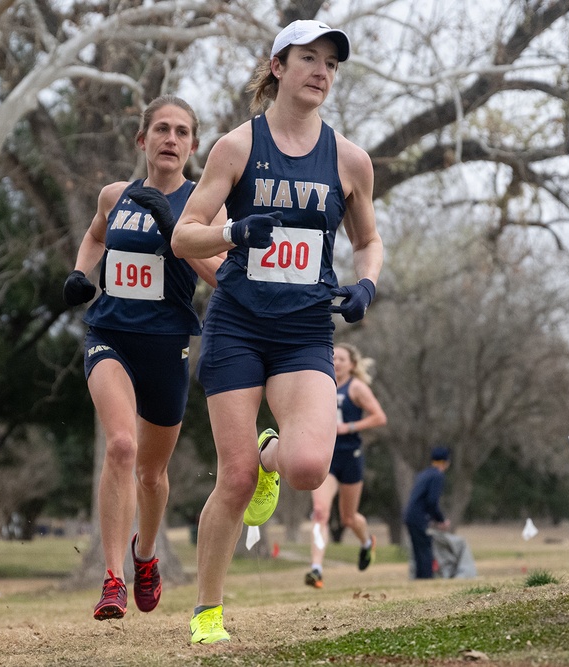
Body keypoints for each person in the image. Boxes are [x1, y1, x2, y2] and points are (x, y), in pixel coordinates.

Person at [168, 19, 384, 644]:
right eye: (309, 58)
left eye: (331, 64)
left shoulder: (349, 160)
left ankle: (273, 454)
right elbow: (185, 235)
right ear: (278, 68)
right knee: (233, 480)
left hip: (304, 333)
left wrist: (366, 283)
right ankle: (209, 611)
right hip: (237, 325)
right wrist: (236, 232)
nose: (321, 71)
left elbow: (368, 241)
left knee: (310, 467)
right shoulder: (236, 148)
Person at [61, 95, 225, 621]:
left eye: (181, 132)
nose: (170, 139)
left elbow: (224, 277)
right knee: (122, 447)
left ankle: (145, 556)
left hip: (167, 346)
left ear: (193, 146)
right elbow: (93, 235)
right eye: (161, 129)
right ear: (143, 140)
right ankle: (112, 581)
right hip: (110, 336)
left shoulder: (206, 205)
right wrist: (82, 275)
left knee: (152, 474)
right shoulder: (116, 196)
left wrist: (180, 233)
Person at [305, 342, 387, 589]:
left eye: (342, 359)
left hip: (350, 455)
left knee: (348, 518)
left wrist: (349, 427)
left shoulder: (357, 387)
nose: (337, 362)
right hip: (325, 456)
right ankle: (316, 570)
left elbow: (379, 417)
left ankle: (366, 543)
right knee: (320, 513)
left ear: (352, 364)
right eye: (334, 357)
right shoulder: (321, 383)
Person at [403, 446, 451, 580]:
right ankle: (426, 580)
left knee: (418, 552)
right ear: (446, 462)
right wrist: (440, 520)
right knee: (425, 551)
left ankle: (419, 580)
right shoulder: (437, 476)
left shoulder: (424, 474)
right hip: (419, 517)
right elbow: (432, 501)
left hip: (410, 516)